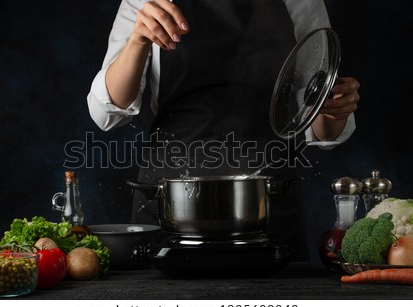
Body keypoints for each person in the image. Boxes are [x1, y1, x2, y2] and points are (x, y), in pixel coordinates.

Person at [87, 0, 360, 260]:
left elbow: (319, 123)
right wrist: (139, 40)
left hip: (266, 201)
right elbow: (107, 112)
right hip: (171, 199)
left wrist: (332, 106)